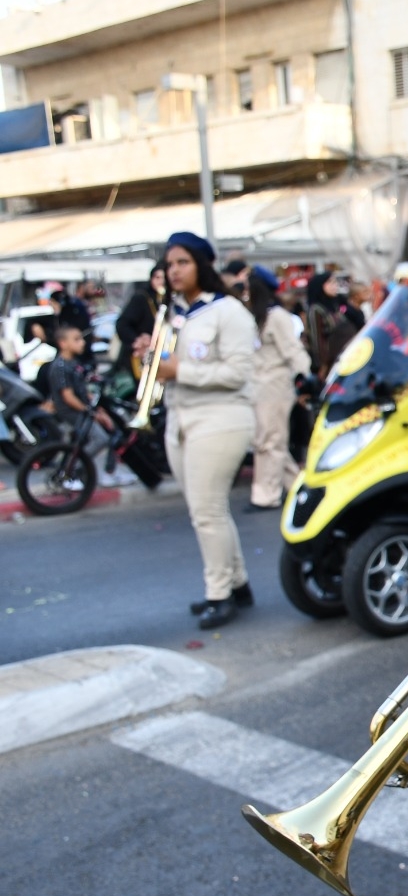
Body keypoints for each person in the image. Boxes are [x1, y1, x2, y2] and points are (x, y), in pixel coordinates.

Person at [150, 232, 258, 630]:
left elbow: (238, 373)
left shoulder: (228, 311)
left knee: (206, 511)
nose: (174, 270)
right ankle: (238, 582)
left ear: (201, 265)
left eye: (182, 262)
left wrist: (181, 369)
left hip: (221, 417)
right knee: (210, 508)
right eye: (169, 264)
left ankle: (220, 593)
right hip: (181, 418)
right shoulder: (176, 313)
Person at [245, 265, 311, 511]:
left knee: (270, 441)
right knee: (271, 441)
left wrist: (306, 378)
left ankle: (266, 495)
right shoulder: (258, 317)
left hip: (275, 387)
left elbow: (293, 350)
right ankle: (298, 487)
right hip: (260, 387)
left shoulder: (277, 317)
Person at [45, 321, 137, 487]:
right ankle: (71, 473)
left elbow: (83, 391)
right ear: (63, 343)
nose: (82, 342)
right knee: (100, 438)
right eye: (76, 339)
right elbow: (68, 397)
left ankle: (110, 471)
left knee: (114, 431)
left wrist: (98, 410)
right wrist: (90, 411)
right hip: (72, 412)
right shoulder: (60, 366)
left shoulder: (74, 363)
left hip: (84, 408)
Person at [112, 265, 165, 390]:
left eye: (164, 277)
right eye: (157, 277)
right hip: (142, 356)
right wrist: (137, 341)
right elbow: (122, 324)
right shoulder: (141, 298)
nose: (161, 281)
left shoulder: (169, 299)